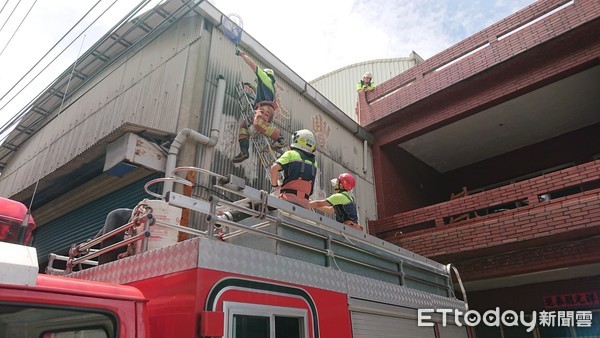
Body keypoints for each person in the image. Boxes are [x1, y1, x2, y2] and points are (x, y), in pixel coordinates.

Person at [233, 48, 287, 163]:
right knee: (244, 125)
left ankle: (280, 139)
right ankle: (244, 152)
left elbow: (253, 66)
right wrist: (249, 88)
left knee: (258, 123)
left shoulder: (266, 79)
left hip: (264, 109)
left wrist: (243, 54)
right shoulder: (265, 88)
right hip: (261, 108)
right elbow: (259, 95)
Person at [269, 129, 318, 209]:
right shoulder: (314, 162)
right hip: (304, 204)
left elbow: (274, 168)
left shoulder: (291, 154)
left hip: (287, 199)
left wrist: (275, 186)